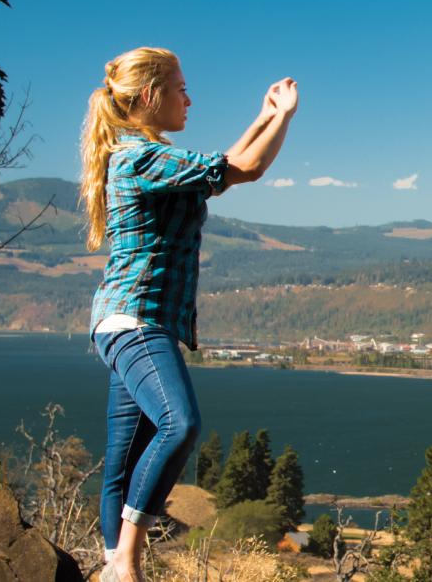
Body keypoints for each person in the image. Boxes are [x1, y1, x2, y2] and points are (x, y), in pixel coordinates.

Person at [79, 47, 298, 582]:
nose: (188, 98)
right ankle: (126, 562)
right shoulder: (141, 158)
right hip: (136, 321)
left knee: (123, 461)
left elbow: (221, 171)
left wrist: (265, 115)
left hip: (128, 320)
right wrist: (287, 116)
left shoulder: (146, 158)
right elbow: (246, 168)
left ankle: (113, 567)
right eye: (180, 88)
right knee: (180, 424)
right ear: (150, 95)